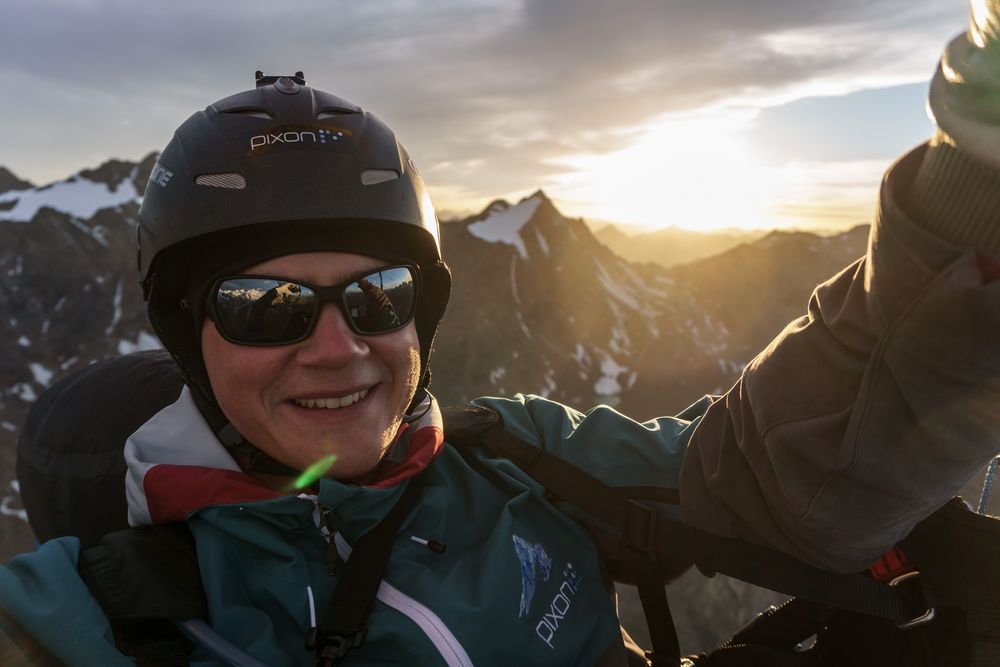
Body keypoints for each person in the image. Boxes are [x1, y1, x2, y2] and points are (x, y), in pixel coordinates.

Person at [2, 2, 999, 664]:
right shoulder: (107, 614)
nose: (339, 343)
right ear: (188, 332)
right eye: (268, 307)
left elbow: (764, 473)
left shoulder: (514, 456)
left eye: (381, 293)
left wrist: (970, 181)